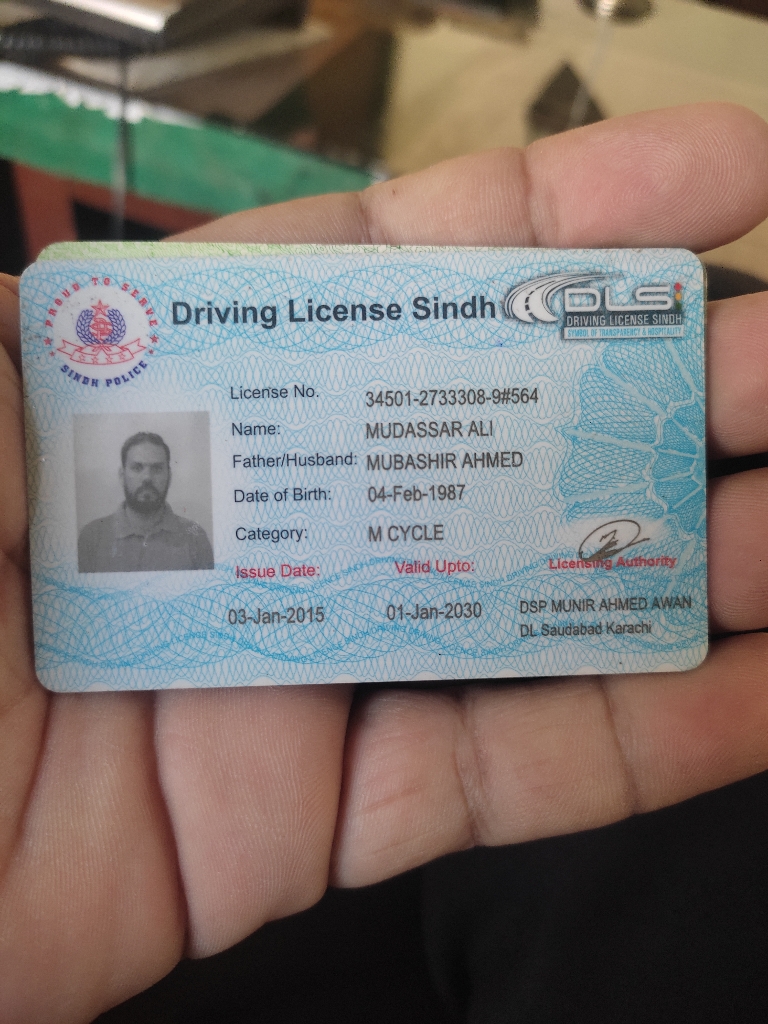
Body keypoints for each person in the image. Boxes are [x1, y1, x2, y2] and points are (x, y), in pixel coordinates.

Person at [1, 102, 768, 1024]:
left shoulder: (195, 543)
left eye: (159, 463)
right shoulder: (91, 551)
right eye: (137, 465)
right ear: (122, 471)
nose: (149, 476)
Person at [77, 431, 214, 573]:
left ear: (169, 476)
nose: (147, 477)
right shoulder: (91, 537)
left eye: (157, 468)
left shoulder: (195, 538)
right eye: (137, 468)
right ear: (122, 475)